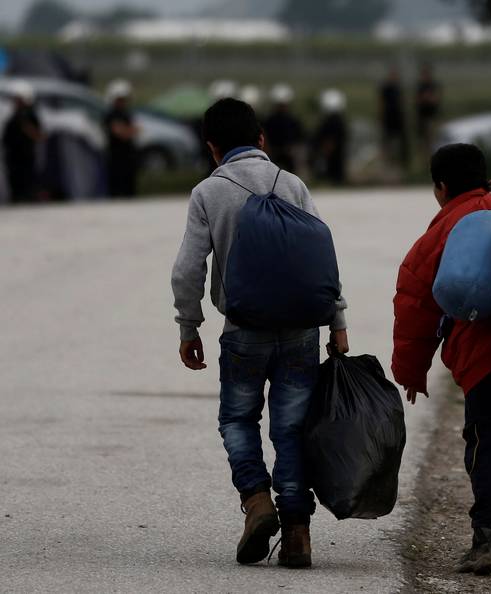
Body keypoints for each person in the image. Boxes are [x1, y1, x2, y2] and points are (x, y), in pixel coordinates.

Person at [171, 98, 349, 568]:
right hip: (300, 333)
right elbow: (322, 259)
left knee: (237, 420)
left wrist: (189, 326)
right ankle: (296, 535)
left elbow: (187, 270)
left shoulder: (208, 192)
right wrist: (338, 321)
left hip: (244, 331)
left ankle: (256, 501)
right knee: (291, 430)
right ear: (262, 139)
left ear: (212, 148)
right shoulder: (292, 184)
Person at [392, 143, 491, 576]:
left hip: (482, 352)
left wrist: (411, 371)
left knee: (487, 444)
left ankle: (486, 543)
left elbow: (414, 303)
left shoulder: (445, 228)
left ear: (441, 187)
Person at [2, 79, 42, 202]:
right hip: (14, 159)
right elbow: (7, 138)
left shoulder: (30, 116)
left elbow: (38, 135)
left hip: (26, 158)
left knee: (27, 184)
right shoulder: (13, 117)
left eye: (18, 99)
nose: (16, 102)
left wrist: (24, 124)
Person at [104, 79, 140, 197]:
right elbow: (121, 133)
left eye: (124, 99)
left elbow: (136, 130)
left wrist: (128, 130)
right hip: (116, 158)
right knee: (117, 190)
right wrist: (129, 131)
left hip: (128, 157)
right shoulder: (110, 115)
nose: (122, 102)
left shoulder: (127, 114)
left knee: (129, 189)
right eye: (120, 99)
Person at [264, 83, 305, 174]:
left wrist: (294, 150)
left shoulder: (292, 120)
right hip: (274, 153)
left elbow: (299, 138)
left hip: (288, 153)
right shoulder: (270, 120)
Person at [312, 89, 348, 185]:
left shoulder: (327, 121)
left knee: (332, 167)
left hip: (331, 153)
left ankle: (332, 180)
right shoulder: (340, 121)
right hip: (337, 152)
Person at [378, 66, 409, 169]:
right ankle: (388, 161)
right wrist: (381, 116)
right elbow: (381, 103)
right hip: (388, 117)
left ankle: (401, 162)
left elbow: (402, 102)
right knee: (387, 140)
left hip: (398, 117)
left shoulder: (398, 88)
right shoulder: (386, 88)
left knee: (401, 140)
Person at [415, 63, 442, 154]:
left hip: (432, 115)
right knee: (423, 140)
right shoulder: (419, 86)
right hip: (421, 116)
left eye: (426, 73)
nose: (425, 76)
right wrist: (425, 98)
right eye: (423, 73)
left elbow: (436, 99)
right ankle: (425, 159)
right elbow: (417, 100)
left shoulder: (434, 85)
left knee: (433, 138)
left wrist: (428, 98)